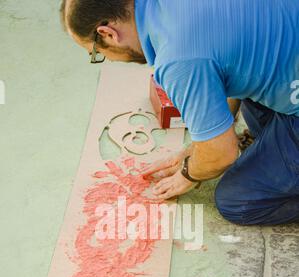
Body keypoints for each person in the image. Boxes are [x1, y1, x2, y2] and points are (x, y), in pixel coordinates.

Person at [60, 0, 299, 225]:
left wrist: (189, 172)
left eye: (97, 53)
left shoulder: (177, 59)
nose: (108, 59)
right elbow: (228, 59)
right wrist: (200, 144)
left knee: (237, 201)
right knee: (257, 113)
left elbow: (222, 155)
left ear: (108, 34)